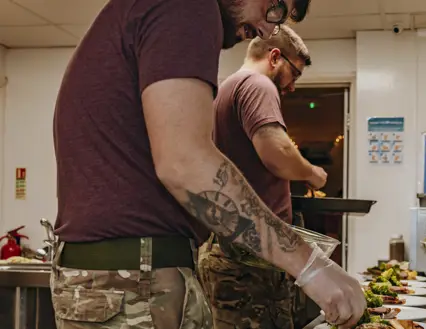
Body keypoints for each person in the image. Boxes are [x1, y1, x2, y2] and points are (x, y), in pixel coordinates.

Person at [50, 0, 365, 327]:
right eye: (275, 7)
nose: (270, 27)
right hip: (134, 280)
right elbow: (186, 164)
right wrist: (310, 266)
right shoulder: (189, 6)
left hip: (116, 277)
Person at [197, 25, 327, 329]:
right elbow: (276, 152)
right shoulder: (257, 85)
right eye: (294, 74)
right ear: (275, 56)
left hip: (232, 249)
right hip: (252, 258)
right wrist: (312, 173)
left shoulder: (227, 89)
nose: (293, 86)